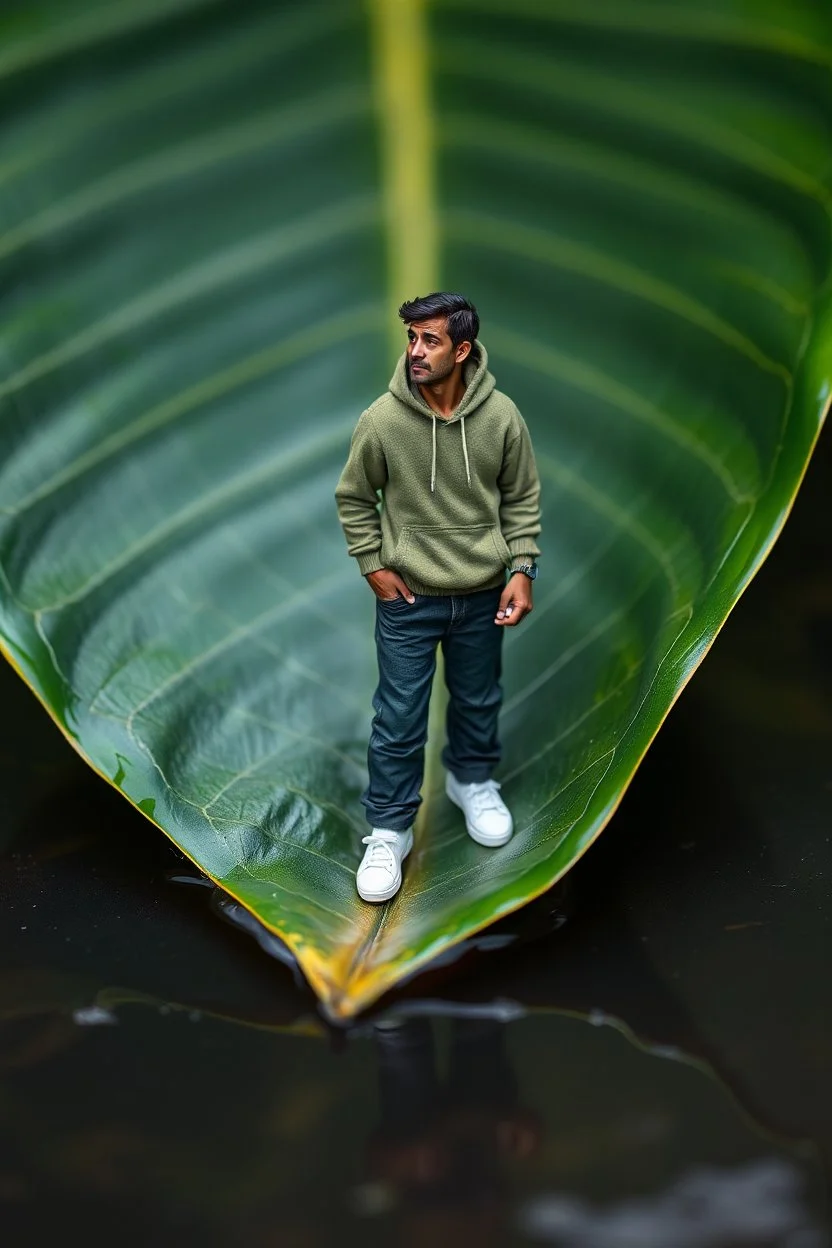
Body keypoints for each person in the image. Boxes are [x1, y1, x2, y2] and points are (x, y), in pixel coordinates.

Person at [335, 292, 542, 903]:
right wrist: (372, 565)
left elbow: (521, 497)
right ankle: (388, 827)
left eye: (430, 340)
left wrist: (522, 567)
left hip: (481, 593)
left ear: (463, 349)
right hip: (409, 600)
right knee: (397, 718)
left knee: (478, 697)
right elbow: (354, 497)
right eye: (412, 339)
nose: (417, 351)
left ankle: (472, 781)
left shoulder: (502, 416)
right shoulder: (382, 420)